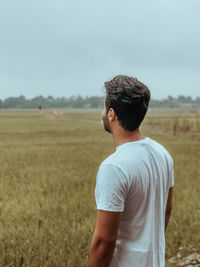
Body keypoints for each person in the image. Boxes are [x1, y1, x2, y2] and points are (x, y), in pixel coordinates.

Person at [89, 75, 174, 267]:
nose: (102, 113)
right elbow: (166, 210)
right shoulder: (163, 154)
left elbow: (104, 241)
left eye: (104, 108)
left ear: (111, 114)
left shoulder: (114, 167)